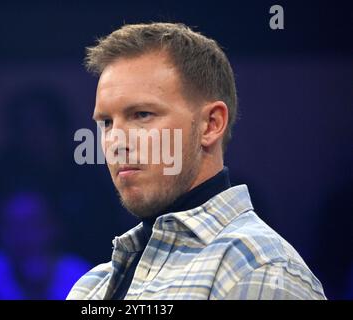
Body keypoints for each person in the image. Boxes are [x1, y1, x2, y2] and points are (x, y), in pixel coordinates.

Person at [67, 22, 326, 300]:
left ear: (211, 124)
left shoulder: (262, 270)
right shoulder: (89, 288)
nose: (115, 142)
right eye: (106, 122)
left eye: (142, 114)